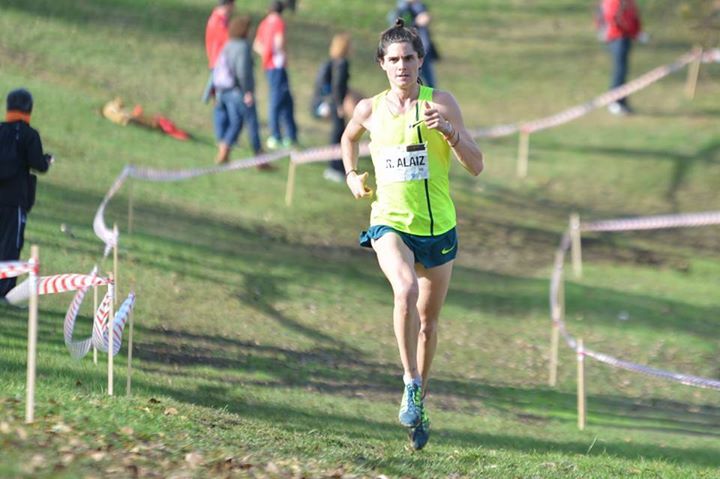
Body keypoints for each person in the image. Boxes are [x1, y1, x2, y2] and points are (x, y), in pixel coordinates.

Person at [340, 19, 483, 450]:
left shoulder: (440, 102)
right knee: (402, 290)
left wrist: (451, 133)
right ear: (382, 64)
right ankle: (408, 381)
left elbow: (476, 165)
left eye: (409, 58)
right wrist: (351, 176)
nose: (402, 66)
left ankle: (420, 398)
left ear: (420, 62)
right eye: (393, 59)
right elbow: (348, 138)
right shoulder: (369, 108)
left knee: (428, 324)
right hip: (390, 222)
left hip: (438, 227)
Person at [0, 89, 52, 298]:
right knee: (10, 247)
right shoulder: (30, 135)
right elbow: (38, 164)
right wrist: (47, 160)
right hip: (15, 202)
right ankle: (4, 291)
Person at [212, 15, 268, 168]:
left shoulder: (228, 44)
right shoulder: (243, 47)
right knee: (252, 123)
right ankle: (260, 159)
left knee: (236, 122)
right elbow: (243, 72)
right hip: (239, 92)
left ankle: (224, 151)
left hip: (226, 91)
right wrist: (248, 91)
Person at [253, 0, 299, 150]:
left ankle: (291, 135)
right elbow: (279, 43)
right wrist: (282, 54)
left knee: (285, 99)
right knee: (276, 100)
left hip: (268, 65)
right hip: (278, 66)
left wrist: (265, 54)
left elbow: (256, 44)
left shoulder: (264, 23)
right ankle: (275, 135)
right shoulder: (278, 22)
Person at [312, 33, 352, 182]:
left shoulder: (332, 62)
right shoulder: (342, 64)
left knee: (338, 134)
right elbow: (338, 86)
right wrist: (340, 105)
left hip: (331, 103)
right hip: (336, 104)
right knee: (339, 135)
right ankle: (335, 167)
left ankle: (336, 166)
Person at [599, 0, 643, 115]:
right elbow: (614, 18)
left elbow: (634, 17)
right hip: (617, 37)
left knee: (623, 71)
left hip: (625, 37)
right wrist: (632, 32)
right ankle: (614, 102)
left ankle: (622, 101)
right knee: (619, 70)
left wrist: (637, 32)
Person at [390, 0, 439, 88]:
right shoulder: (402, 8)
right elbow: (398, 27)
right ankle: (417, 101)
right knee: (413, 83)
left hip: (425, 50)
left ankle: (429, 101)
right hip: (410, 52)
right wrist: (416, 22)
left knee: (430, 84)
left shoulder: (420, 6)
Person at [203, 0, 235, 103]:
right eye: (233, 5)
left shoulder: (219, 19)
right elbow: (227, 39)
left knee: (216, 86)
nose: (234, 8)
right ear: (228, 5)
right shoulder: (218, 20)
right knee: (219, 90)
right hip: (218, 59)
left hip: (217, 58)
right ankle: (207, 97)